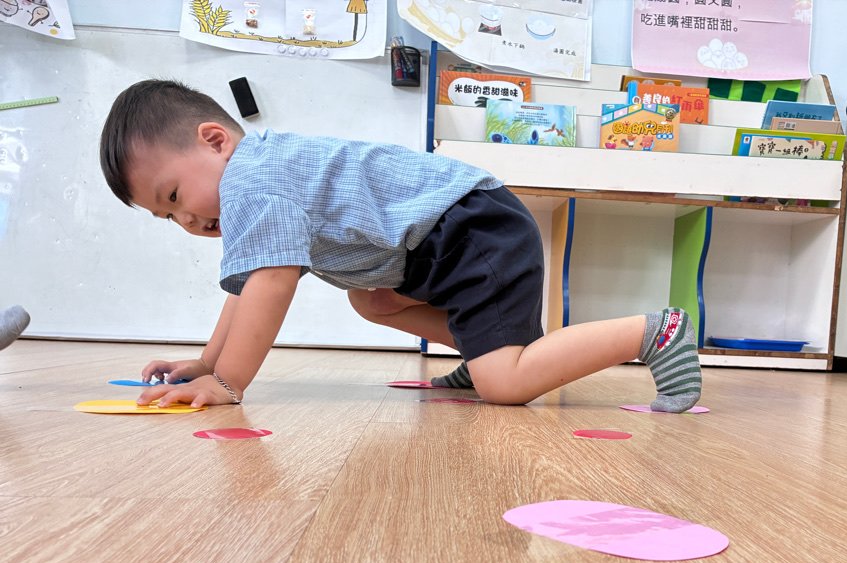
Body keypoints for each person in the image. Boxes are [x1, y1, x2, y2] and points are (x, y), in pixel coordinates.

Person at [99, 80, 701, 411]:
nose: (185, 219)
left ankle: (653, 334)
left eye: (175, 195)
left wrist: (228, 381)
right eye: (167, 216)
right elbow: (246, 289)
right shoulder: (258, 176)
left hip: (472, 228)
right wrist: (207, 362)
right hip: (444, 238)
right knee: (372, 300)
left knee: (507, 386)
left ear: (215, 140)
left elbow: (270, 287)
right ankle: (490, 348)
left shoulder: (251, 179)